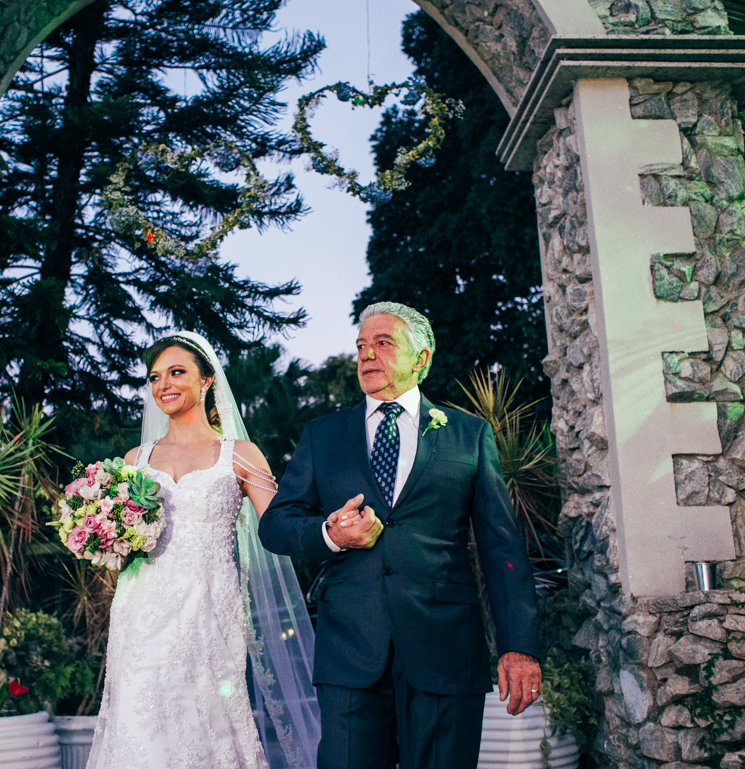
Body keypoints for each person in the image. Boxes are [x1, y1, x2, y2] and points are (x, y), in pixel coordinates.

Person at [258, 302, 542, 769]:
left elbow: (503, 549)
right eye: (361, 346)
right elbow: (275, 524)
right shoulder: (322, 435)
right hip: (350, 652)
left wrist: (519, 646)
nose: (366, 354)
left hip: (445, 650)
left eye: (383, 343)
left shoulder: (469, 435)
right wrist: (331, 534)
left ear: (421, 358)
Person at [86, 332, 321, 769]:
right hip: (140, 614)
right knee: (138, 722)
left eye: (177, 372)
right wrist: (98, 533)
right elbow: (118, 540)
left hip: (208, 613)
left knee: (206, 721)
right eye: (155, 377)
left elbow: (281, 526)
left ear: (207, 380)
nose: (164, 385)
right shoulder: (134, 459)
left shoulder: (240, 455)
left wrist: (332, 529)